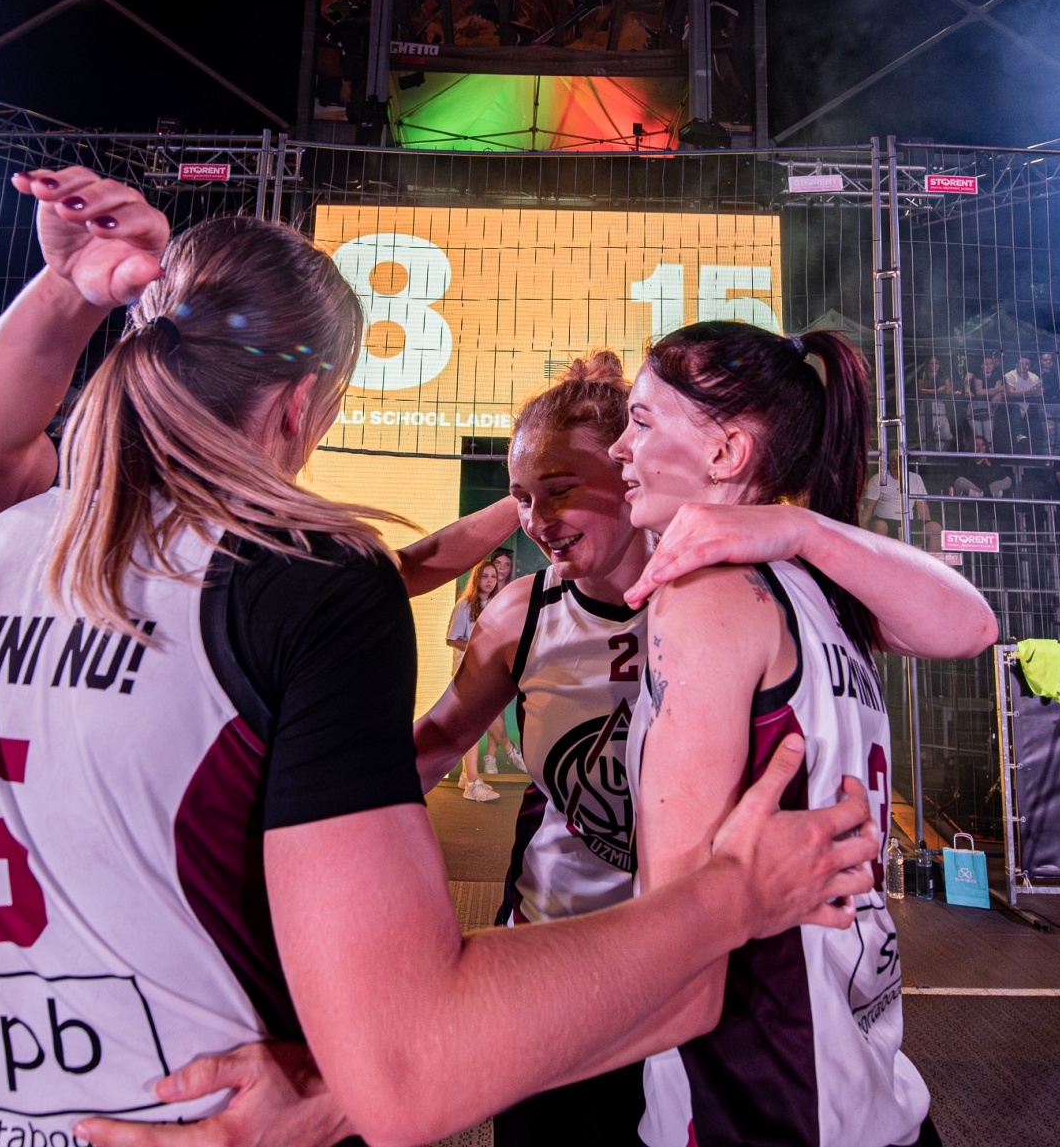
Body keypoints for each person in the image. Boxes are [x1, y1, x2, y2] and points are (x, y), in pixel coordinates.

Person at [0, 168, 880, 1147]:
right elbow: (411, 1062)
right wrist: (733, 895)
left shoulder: (4, 551)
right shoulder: (317, 583)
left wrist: (69, 289)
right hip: (226, 1105)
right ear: (300, 406)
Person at [410, 349, 995, 1147]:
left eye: (562, 487)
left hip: (698, 995)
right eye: (521, 498)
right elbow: (433, 740)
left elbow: (970, 626)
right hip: (578, 958)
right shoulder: (529, 611)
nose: (538, 519)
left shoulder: (726, 591)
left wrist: (419, 1058)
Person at [613, 319, 998, 1147]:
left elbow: (673, 928)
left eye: (640, 421)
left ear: (726, 453)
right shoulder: (817, 588)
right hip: (868, 1085)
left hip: (758, 1089)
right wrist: (806, 531)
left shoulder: (712, 597)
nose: (620, 447)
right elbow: (971, 624)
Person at [446, 558, 506, 801]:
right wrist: (477, 648)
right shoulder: (464, 604)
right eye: (485, 576)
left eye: (493, 576)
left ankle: (466, 776)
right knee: (472, 727)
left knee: (476, 727)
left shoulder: (494, 604)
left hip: (486, 673)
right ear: (476, 579)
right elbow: (452, 639)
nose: (489, 580)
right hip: (467, 673)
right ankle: (472, 783)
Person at [1002, 352, 1043, 453]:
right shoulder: (1010, 375)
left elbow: (1038, 393)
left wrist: (1035, 392)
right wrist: (1029, 392)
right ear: (1016, 365)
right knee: (1015, 408)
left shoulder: (1034, 377)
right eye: (1021, 364)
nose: (1024, 366)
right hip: (1013, 406)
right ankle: (1018, 435)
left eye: (1026, 364)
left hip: (1029, 406)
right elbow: (1010, 393)